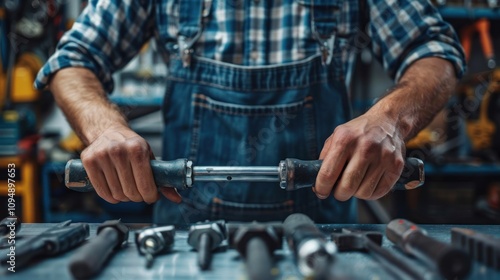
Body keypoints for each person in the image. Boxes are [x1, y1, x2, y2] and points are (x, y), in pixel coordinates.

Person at [35, 0, 465, 224]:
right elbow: (73, 60)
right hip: (187, 235)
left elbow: (434, 52)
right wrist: (105, 128)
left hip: (322, 237)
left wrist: (390, 120)